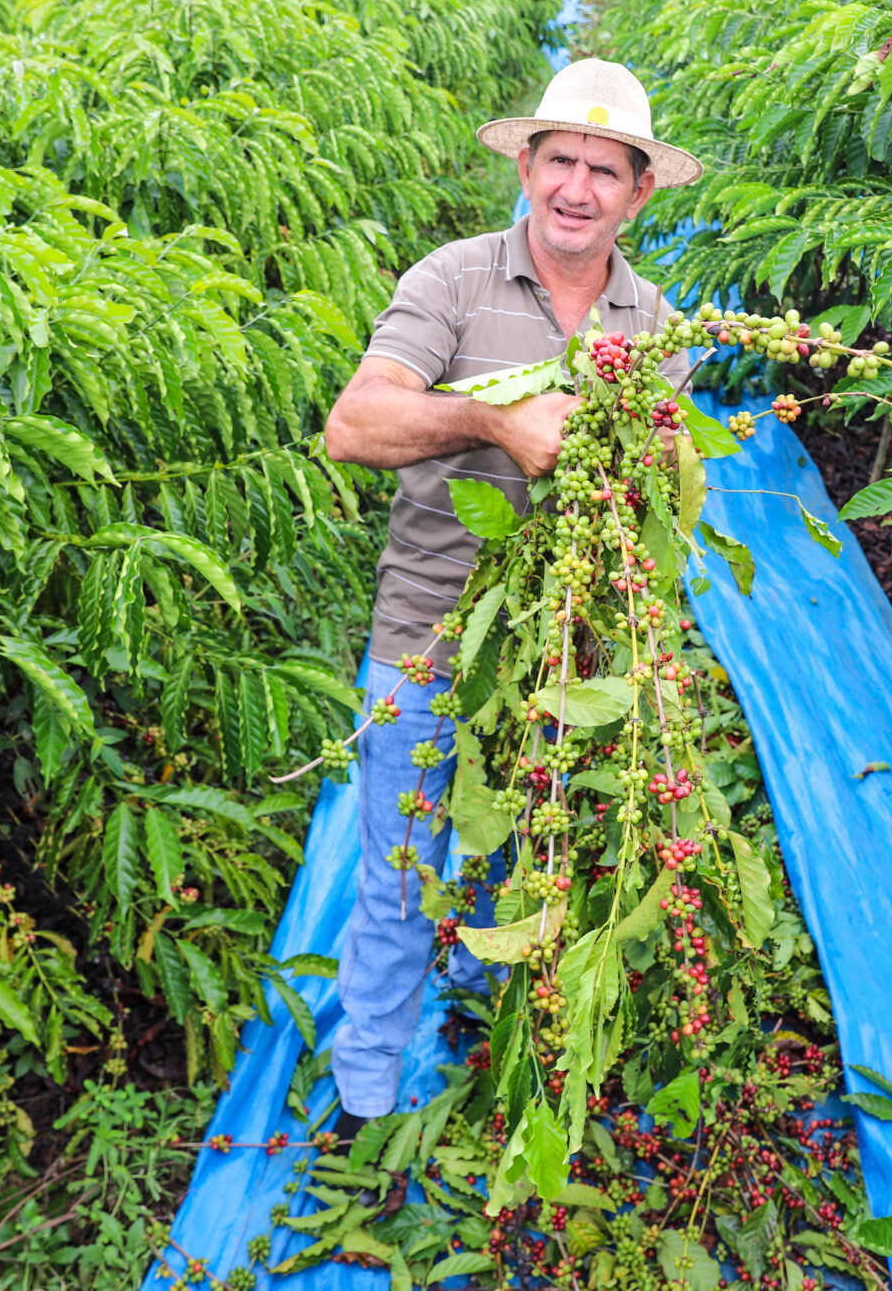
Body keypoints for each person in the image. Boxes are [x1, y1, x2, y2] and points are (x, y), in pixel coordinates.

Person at [319, 58, 705, 1141]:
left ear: (638, 193)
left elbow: (651, 506)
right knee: (400, 877)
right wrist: (494, 420)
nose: (577, 188)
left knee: (517, 869)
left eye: (605, 170)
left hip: (562, 660)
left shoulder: (653, 328)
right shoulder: (452, 280)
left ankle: (489, 1069)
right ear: (527, 168)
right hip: (431, 638)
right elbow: (354, 427)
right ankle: (365, 1100)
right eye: (561, 161)